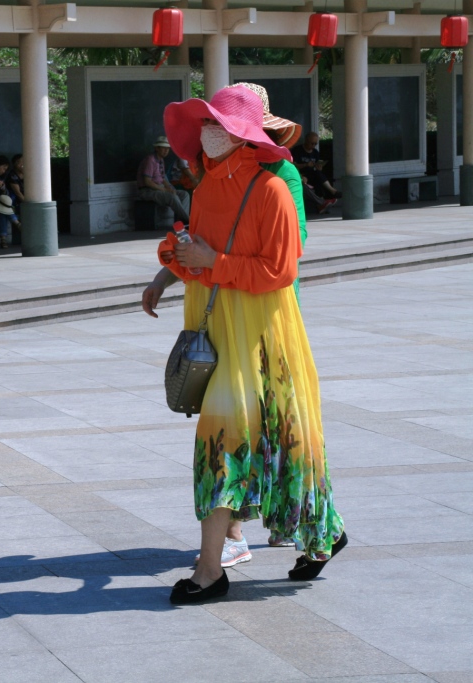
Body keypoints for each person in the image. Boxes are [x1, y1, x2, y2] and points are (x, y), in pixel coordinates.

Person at [151, 86, 347, 604]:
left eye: (218, 126)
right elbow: (199, 255)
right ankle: (215, 565)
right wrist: (175, 258)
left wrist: (210, 259)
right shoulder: (204, 187)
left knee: (278, 440)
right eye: (205, 125)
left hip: (262, 334)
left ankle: (223, 564)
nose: (207, 134)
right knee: (229, 444)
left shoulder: (274, 189)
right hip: (217, 331)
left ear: (243, 134)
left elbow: (280, 271)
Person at [137, 135, 191, 223]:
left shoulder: (161, 160)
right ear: (157, 148)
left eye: (168, 148)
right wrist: (165, 190)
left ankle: (181, 222)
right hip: (148, 191)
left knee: (184, 194)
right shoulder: (150, 160)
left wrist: (170, 188)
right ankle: (188, 220)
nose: (166, 151)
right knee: (172, 197)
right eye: (163, 148)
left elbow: (163, 179)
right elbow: (148, 182)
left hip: (160, 188)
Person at [292, 131, 341, 208]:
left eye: (315, 144)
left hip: (312, 175)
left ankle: (330, 193)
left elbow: (317, 165)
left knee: (318, 173)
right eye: (312, 143)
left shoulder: (315, 152)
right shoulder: (297, 150)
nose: (313, 146)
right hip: (302, 175)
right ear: (306, 141)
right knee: (315, 175)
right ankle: (326, 198)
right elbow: (293, 165)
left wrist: (319, 167)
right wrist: (306, 164)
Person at [0, 155, 20, 248]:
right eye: (3, 168)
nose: (3, 171)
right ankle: (16, 223)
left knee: (2, 212)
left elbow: (6, 194)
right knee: (3, 209)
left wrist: (3, 188)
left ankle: (3, 239)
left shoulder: (1, 178)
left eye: (6, 169)